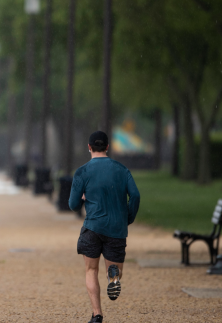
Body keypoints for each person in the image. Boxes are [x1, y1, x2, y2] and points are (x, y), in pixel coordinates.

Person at [69, 131, 141, 323]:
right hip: (117, 229)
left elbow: (73, 204)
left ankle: (97, 314)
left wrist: (84, 199)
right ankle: (113, 277)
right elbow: (135, 196)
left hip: (92, 227)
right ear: (108, 147)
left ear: (89, 147)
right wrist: (128, 217)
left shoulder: (82, 172)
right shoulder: (122, 170)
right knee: (115, 269)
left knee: (91, 270)